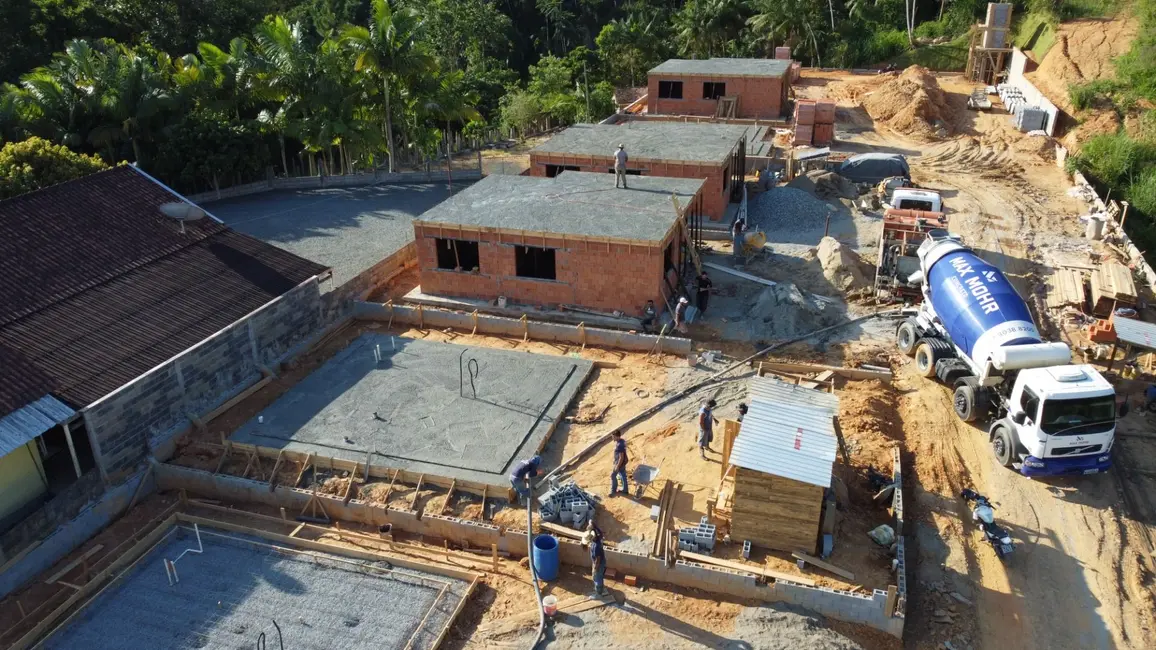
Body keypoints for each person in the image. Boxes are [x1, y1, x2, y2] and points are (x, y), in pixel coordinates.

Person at [583, 523, 607, 596]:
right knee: (599, 577)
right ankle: (601, 589)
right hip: (601, 562)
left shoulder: (596, 546)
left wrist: (595, 569)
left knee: (597, 578)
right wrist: (593, 525)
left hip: (598, 564)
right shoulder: (598, 536)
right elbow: (598, 530)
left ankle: (599, 593)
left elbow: (598, 559)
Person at [609, 431, 629, 496]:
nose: (612, 438)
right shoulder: (622, 441)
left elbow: (621, 457)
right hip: (622, 463)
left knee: (613, 475)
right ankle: (625, 490)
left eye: (613, 436)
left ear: (617, 436)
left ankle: (613, 491)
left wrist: (617, 466)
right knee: (623, 476)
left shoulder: (619, 445)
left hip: (619, 463)